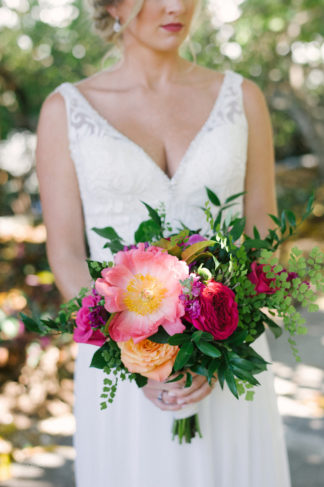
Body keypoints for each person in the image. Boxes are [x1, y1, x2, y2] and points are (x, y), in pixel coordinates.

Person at [36, 0, 291, 485]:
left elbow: (263, 233)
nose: (176, 6)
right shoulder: (65, 111)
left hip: (229, 359)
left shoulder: (243, 98)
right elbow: (66, 252)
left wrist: (219, 339)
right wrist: (139, 360)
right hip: (122, 368)